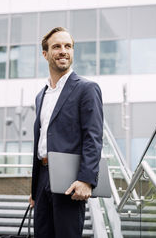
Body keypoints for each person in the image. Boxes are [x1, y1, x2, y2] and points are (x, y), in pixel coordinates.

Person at [29, 27, 103, 238]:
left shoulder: (87, 89)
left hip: (70, 179)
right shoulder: (40, 96)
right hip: (43, 178)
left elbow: (93, 137)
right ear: (45, 54)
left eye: (68, 46)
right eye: (57, 46)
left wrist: (87, 180)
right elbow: (42, 140)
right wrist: (35, 190)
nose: (63, 51)